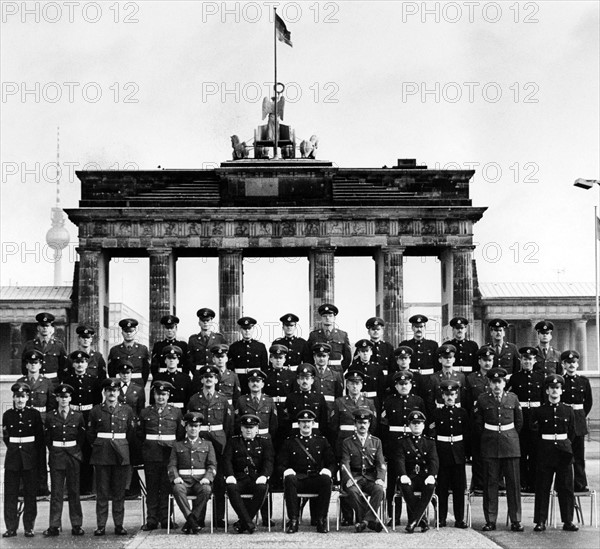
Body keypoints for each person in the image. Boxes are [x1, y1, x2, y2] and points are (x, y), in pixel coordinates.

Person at [474, 367, 523, 532]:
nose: (497, 385)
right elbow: (478, 424)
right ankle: (490, 520)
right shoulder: (482, 399)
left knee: (513, 485)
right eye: (494, 382)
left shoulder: (513, 398)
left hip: (510, 445)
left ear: (504, 383)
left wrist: (510, 437)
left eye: (500, 382)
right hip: (490, 444)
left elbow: (519, 422)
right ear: (489, 383)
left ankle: (516, 520)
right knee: (490, 485)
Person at [87, 377, 137, 536]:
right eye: (109, 391)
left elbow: (131, 433)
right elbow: (90, 434)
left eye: (115, 391)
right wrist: (99, 445)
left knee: (119, 492)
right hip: (102, 454)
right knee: (102, 492)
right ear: (104, 392)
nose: (112, 394)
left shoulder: (127, 410)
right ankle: (100, 525)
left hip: (121, 454)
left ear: (118, 392)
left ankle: (119, 525)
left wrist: (123, 448)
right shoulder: (96, 410)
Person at [187, 364, 234, 528]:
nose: (209, 379)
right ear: (201, 380)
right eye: (206, 377)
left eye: (212, 377)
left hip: (219, 441)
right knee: (200, 477)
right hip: (200, 441)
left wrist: (225, 443)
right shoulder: (194, 399)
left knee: (219, 481)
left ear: (216, 379)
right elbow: (189, 423)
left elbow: (229, 425)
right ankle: (198, 517)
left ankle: (218, 517)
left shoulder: (223, 400)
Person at [531, 374, 578, 532]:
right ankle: (541, 521)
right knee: (543, 486)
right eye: (552, 388)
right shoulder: (539, 411)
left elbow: (572, 433)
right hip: (545, 451)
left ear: (561, 390)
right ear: (547, 390)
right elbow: (535, 434)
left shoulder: (568, 410)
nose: (555, 391)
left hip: (564, 451)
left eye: (557, 388)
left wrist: (564, 445)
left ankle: (568, 520)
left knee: (566, 487)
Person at [330, 370, 377, 526]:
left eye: (357, 383)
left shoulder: (369, 403)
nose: (354, 386)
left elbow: (374, 426)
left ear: (361, 385)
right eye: (351, 383)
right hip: (344, 444)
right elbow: (333, 426)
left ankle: (363, 518)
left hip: (363, 446)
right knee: (345, 479)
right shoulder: (339, 402)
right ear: (346, 385)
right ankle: (347, 516)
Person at [380, 370, 426, 524]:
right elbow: (384, 427)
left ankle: (414, 516)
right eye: (401, 384)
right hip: (394, 445)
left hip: (413, 445)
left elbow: (423, 424)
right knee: (393, 483)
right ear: (396, 386)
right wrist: (386, 449)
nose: (404, 386)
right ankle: (394, 516)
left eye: (406, 384)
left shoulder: (418, 401)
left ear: (411, 384)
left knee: (412, 479)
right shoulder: (389, 401)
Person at [279, 409, 336, 533]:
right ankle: (293, 520)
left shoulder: (322, 441)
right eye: (303, 422)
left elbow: (332, 462)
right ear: (298, 424)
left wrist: (328, 470)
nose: (306, 425)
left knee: (326, 480)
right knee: (289, 479)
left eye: (309, 422)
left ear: (313, 424)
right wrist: (286, 471)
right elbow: (280, 464)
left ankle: (321, 520)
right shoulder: (290, 442)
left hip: (315, 479)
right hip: (298, 479)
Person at [138, 381, 185, 531]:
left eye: (164, 394)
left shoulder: (176, 412)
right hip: (150, 455)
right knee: (151, 488)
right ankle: (151, 519)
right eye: (158, 394)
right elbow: (140, 434)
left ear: (168, 396)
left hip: (169, 456)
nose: (161, 397)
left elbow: (179, 435)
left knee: (167, 488)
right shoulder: (145, 412)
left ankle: (166, 519)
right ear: (154, 395)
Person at [43, 383, 86, 537]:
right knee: (56, 492)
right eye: (61, 397)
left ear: (70, 398)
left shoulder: (78, 416)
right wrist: (56, 449)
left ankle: (76, 525)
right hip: (56, 455)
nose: (63, 400)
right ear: (57, 398)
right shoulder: (50, 416)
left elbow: (81, 437)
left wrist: (74, 449)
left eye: (66, 397)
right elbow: (47, 438)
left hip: (73, 455)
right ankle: (54, 525)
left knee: (74, 491)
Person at [2, 382, 44, 538]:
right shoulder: (7, 415)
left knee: (30, 495)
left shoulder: (34, 414)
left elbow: (39, 439)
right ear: (13, 397)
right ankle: (11, 527)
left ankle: (29, 527)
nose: (20, 400)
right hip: (13, 458)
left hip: (30, 458)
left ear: (28, 398)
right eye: (17, 397)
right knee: (10, 495)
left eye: (23, 397)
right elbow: (6, 437)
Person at [224, 413, 275, 533]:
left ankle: (243, 523)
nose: (248, 430)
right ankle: (248, 523)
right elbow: (227, 460)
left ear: (257, 429)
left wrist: (264, 475)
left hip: (256, 478)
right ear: (241, 428)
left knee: (263, 488)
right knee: (231, 488)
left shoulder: (264, 442)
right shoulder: (233, 441)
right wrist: (230, 475)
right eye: (246, 427)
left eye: (251, 428)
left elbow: (269, 461)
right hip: (239, 478)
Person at [168, 412, 217, 534]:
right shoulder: (177, 445)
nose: (193, 429)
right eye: (191, 426)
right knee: (177, 489)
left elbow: (212, 465)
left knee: (206, 489)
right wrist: (176, 477)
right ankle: (192, 519)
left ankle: (191, 520)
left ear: (200, 428)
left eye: (196, 426)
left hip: (200, 481)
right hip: (184, 481)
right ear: (186, 427)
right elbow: (172, 465)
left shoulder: (208, 444)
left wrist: (208, 477)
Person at [62, 350, 102, 495]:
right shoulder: (67, 381)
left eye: (83, 362)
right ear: (73, 364)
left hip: (88, 417)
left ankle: (87, 488)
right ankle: (73, 488)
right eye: (77, 362)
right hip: (72, 417)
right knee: (73, 452)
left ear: (87, 364)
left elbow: (97, 402)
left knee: (87, 451)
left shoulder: (93, 380)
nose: (80, 365)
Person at [431, 380, 469, 528]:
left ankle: (459, 519)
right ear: (442, 396)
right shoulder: (437, 413)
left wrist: (467, 453)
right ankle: (441, 518)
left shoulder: (462, 413)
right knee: (442, 488)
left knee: (459, 488)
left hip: (458, 453)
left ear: (457, 395)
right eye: (447, 395)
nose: (449, 397)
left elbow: (467, 434)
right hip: (442, 452)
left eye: (452, 394)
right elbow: (432, 434)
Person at [341, 408, 386, 533]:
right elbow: (345, 463)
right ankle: (370, 521)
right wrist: (348, 479)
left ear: (369, 424)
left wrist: (380, 478)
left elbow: (381, 464)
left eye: (365, 423)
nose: (362, 426)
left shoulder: (376, 442)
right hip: (355, 477)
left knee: (379, 490)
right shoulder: (347, 442)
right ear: (355, 424)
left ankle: (364, 522)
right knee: (352, 492)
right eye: (360, 423)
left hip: (371, 478)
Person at [506, 347, 544, 492]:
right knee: (520, 453)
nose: (527, 361)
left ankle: (533, 483)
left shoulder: (540, 378)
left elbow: (544, 401)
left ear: (534, 361)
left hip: (535, 420)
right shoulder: (514, 378)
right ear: (520, 360)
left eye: (530, 359)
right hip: (520, 420)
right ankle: (522, 482)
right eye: (525, 359)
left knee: (535, 453)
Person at [18, 349, 54, 495]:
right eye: (30, 363)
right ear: (26, 365)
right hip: (26, 423)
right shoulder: (21, 382)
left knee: (40, 455)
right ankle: (24, 486)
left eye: (36, 363)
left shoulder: (46, 382)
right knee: (24, 454)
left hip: (41, 421)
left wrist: (47, 422)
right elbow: (18, 404)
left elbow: (51, 405)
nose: (33, 366)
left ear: (40, 365)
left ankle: (42, 487)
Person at [397, 410, 439, 533]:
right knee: (404, 485)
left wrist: (432, 475)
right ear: (409, 425)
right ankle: (422, 520)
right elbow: (399, 460)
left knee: (430, 485)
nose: (416, 425)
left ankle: (414, 521)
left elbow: (434, 461)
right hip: (409, 475)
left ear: (424, 426)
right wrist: (403, 474)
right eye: (414, 423)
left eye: (419, 423)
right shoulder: (402, 441)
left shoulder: (429, 442)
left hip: (424, 476)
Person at [561, 350, 593, 492]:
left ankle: (580, 483)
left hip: (579, 420)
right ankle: (563, 484)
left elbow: (589, 402)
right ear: (564, 364)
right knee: (564, 454)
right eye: (568, 363)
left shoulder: (584, 381)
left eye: (574, 362)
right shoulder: (560, 381)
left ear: (577, 364)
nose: (571, 365)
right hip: (564, 421)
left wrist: (580, 416)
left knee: (579, 455)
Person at [465, 346, 495, 492]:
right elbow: (467, 402)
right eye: (484, 360)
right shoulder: (471, 378)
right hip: (476, 420)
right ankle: (478, 483)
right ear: (479, 361)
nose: (487, 363)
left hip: (494, 420)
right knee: (477, 453)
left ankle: (494, 483)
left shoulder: (498, 378)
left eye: (490, 360)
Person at [283, 363, 329, 439]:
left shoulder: (319, 398)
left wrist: (321, 436)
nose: (304, 381)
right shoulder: (291, 398)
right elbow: (287, 421)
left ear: (312, 380)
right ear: (298, 381)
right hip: (295, 436)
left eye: (307, 379)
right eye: (302, 378)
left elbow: (323, 420)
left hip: (315, 436)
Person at [20, 311, 67, 382]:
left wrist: (60, 382)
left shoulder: (58, 345)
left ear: (51, 328)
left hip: (53, 381)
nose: (45, 328)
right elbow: (24, 366)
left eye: (47, 326)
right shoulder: (30, 345)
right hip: (35, 382)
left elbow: (63, 366)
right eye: (42, 326)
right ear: (38, 328)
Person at [307, 303, 352, 374]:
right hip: (318, 371)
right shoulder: (313, 335)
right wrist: (314, 370)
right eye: (324, 316)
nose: (327, 318)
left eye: (330, 316)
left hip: (336, 371)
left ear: (334, 318)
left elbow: (348, 358)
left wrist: (340, 371)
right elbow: (308, 357)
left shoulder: (342, 335)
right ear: (321, 318)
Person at [228, 317, 268, 392]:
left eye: (249, 329)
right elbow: (231, 368)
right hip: (239, 381)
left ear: (253, 329)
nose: (247, 331)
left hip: (256, 381)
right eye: (244, 329)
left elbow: (264, 368)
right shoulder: (234, 347)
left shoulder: (260, 346)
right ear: (240, 330)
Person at [235, 369, 278, 438]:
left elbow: (274, 424)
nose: (255, 384)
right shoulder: (241, 400)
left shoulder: (269, 400)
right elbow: (237, 423)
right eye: (252, 381)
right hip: (247, 438)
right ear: (248, 384)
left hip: (265, 438)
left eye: (258, 381)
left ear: (262, 384)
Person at [107, 318, 150, 386]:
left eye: (131, 331)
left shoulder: (143, 349)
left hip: (137, 385)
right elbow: (111, 371)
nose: (128, 333)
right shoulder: (114, 350)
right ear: (122, 332)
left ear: (135, 332)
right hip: (119, 385)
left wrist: (141, 386)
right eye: (126, 331)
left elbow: (146, 371)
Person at [427, 344, 466, 417]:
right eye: (445, 357)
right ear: (440, 360)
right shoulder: (434, 378)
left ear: (454, 359)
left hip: (457, 414)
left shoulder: (461, 376)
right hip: (440, 414)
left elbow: (464, 398)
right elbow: (430, 401)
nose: (448, 360)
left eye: (450, 357)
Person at [152, 345, 193, 410]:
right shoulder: (158, 377)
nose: (171, 361)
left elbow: (189, 399)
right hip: (163, 412)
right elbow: (152, 399)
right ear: (165, 361)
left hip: (181, 411)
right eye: (169, 358)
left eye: (174, 358)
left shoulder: (185, 378)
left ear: (178, 361)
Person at [187, 307, 227, 374]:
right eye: (203, 321)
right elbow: (190, 360)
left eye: (207, 321)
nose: (205, 323)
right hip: (199, 374)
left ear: (211, 322)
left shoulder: (219, 338)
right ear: (199, 323)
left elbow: (224, 357)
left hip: (214, 373)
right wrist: (195, 372)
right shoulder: (193, 339)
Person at [349, 339, 386, 409]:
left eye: (367, 351)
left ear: (371, 352)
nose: (365, 353)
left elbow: (381, 389)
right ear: (359, 353)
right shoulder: (353, 368)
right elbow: (349, 388)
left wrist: (380, 404)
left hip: (374, 401)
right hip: (358, 401)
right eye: (362, 351)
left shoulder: (378, 368)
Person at [311, 343, 344, 413]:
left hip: (329, 410)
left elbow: (339, 396)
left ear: (328, 357)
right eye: (319, 356)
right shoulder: (310, 374)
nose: (321, 359)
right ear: (314, 357)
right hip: (313, 410)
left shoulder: (336, 375)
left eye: (324, 356)